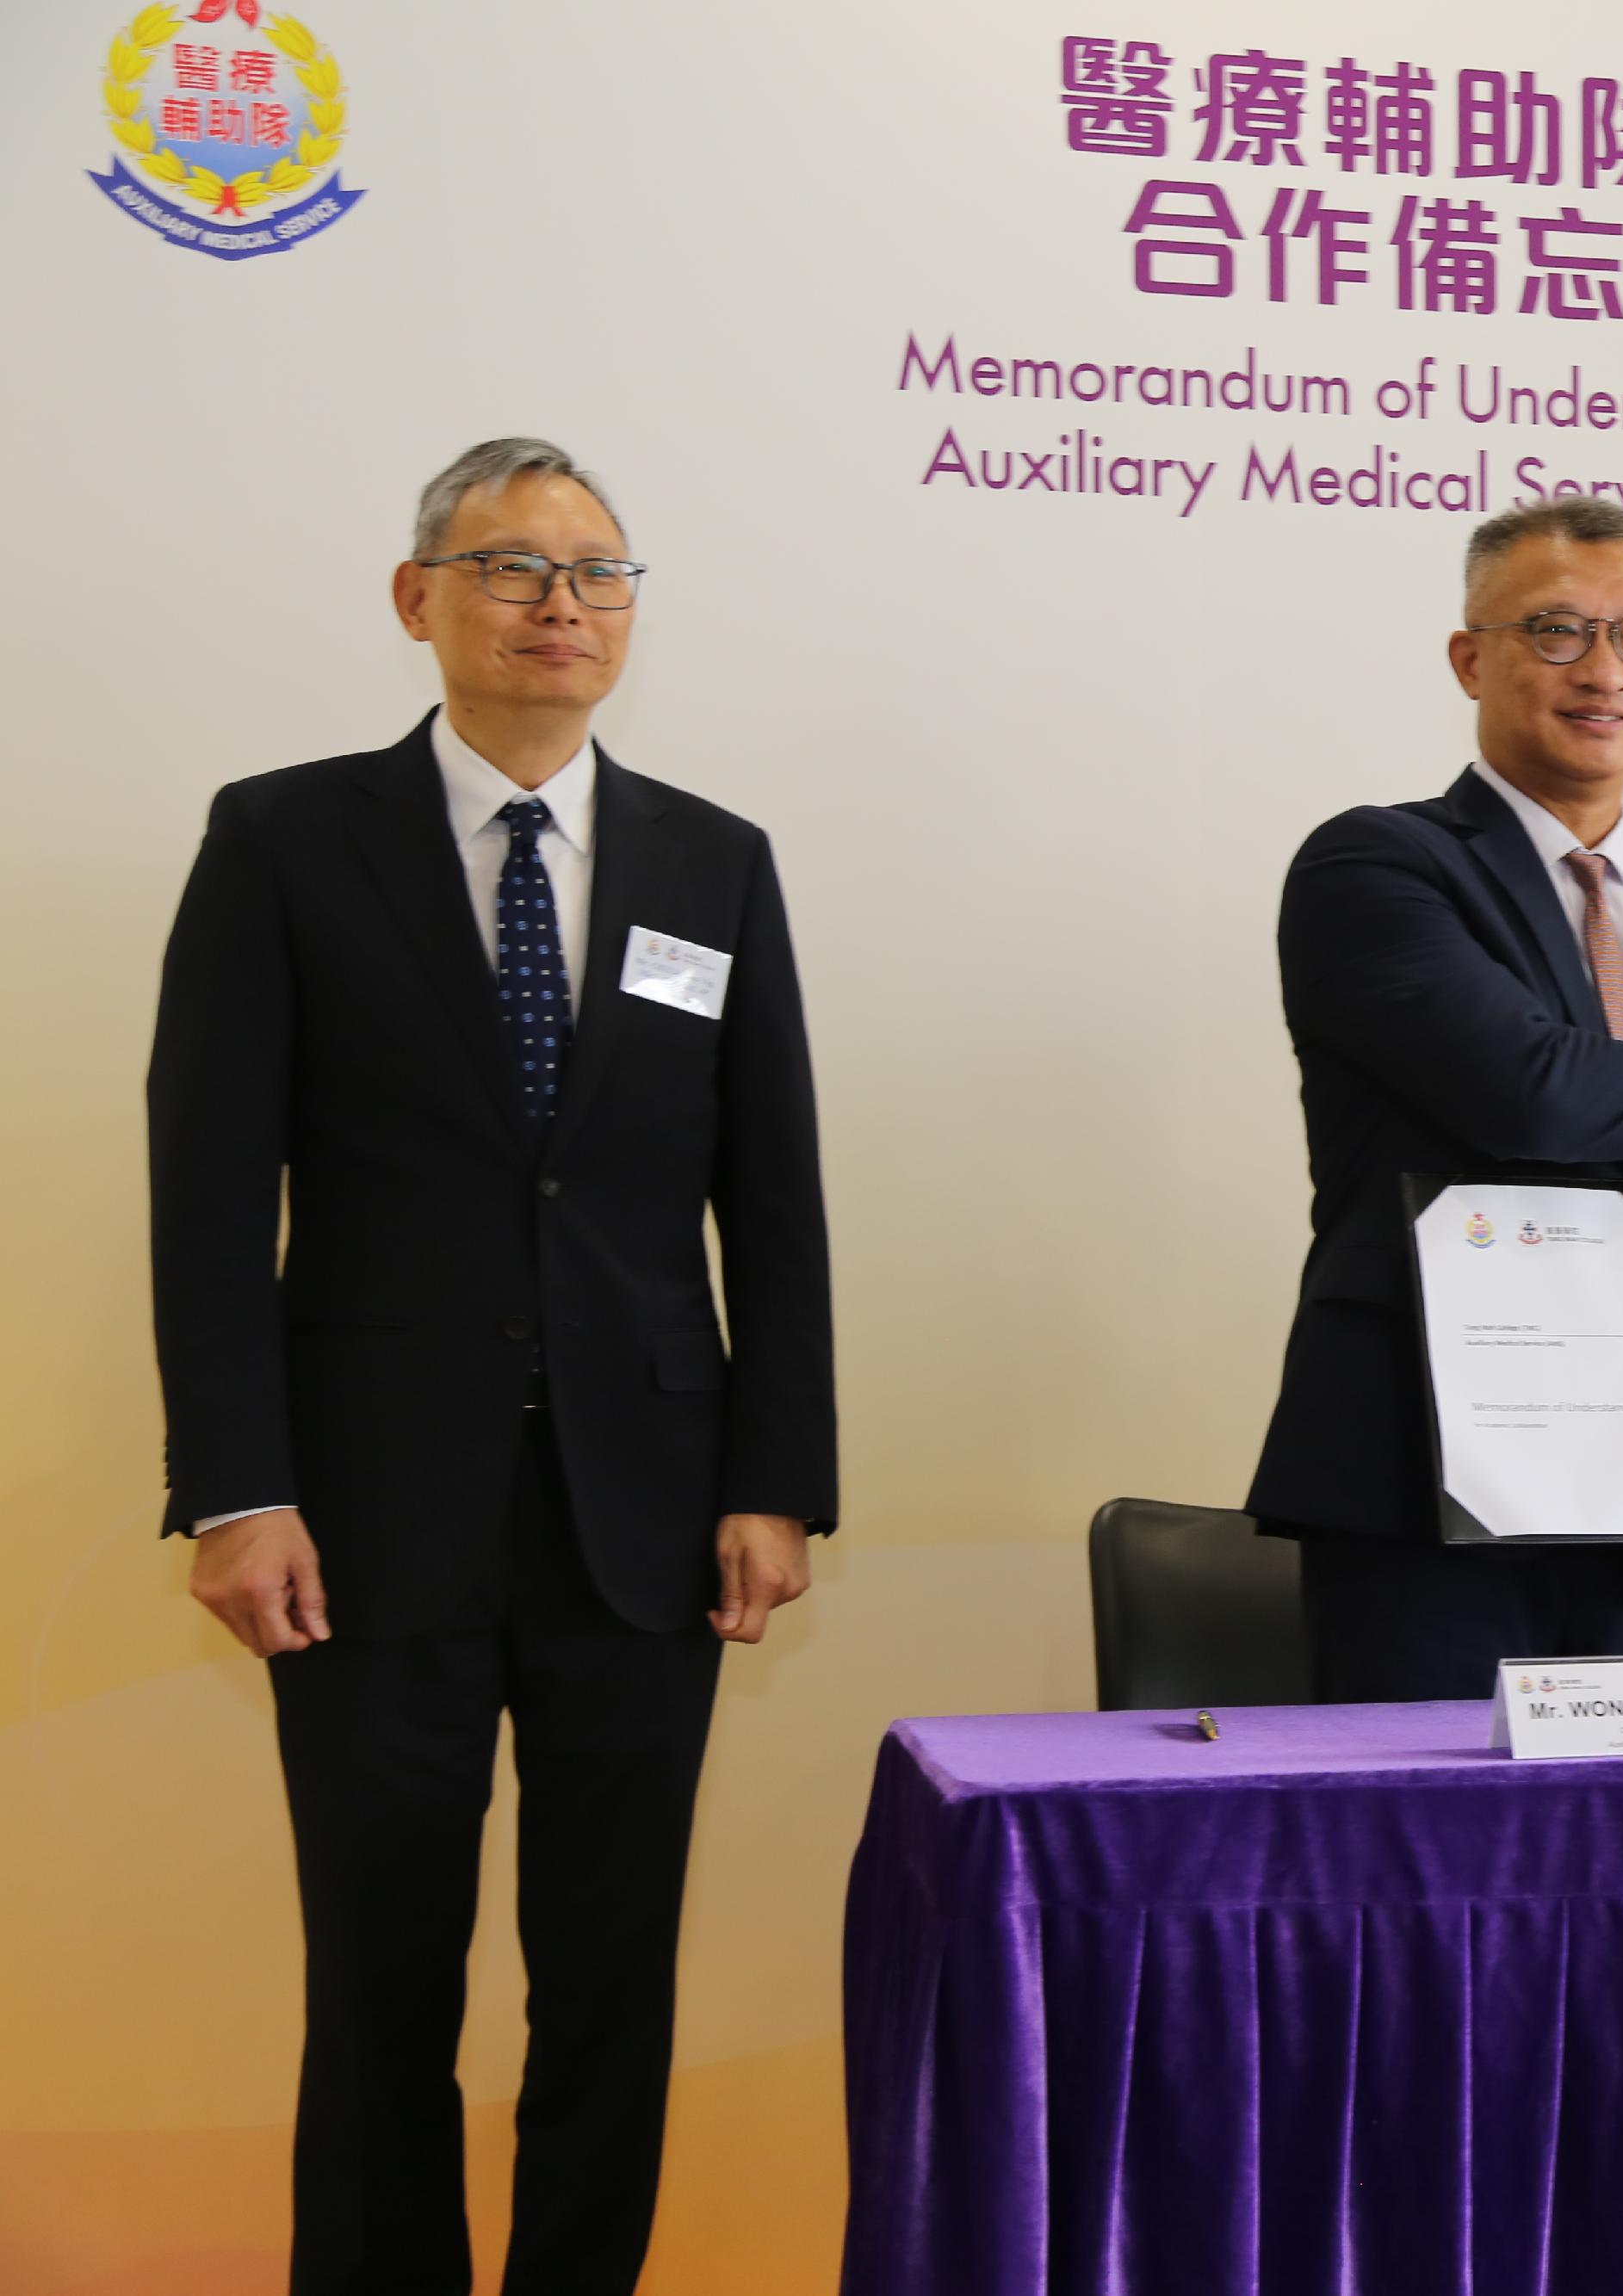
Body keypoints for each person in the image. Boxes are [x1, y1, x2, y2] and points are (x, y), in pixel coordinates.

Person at [149, 438, 835, 2294]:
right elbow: (210, 1195)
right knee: (381, 1985)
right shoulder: (286, 837)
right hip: (362, 1523)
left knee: (610, 1985)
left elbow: (771, 1199)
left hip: (651, 1516)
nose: (562, 605)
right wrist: (236, 1486)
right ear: (418, 598)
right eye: (515, 567)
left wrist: (774, 1478)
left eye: (600, 573)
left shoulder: (712, 859)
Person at [1248, 498, 1623, 1703]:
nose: (1605, 671)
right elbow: (1529, 1091)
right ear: (1470, 657)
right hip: (1424, 1488)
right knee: (1420, 1870)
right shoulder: (1375, 864)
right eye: (1556, 632)